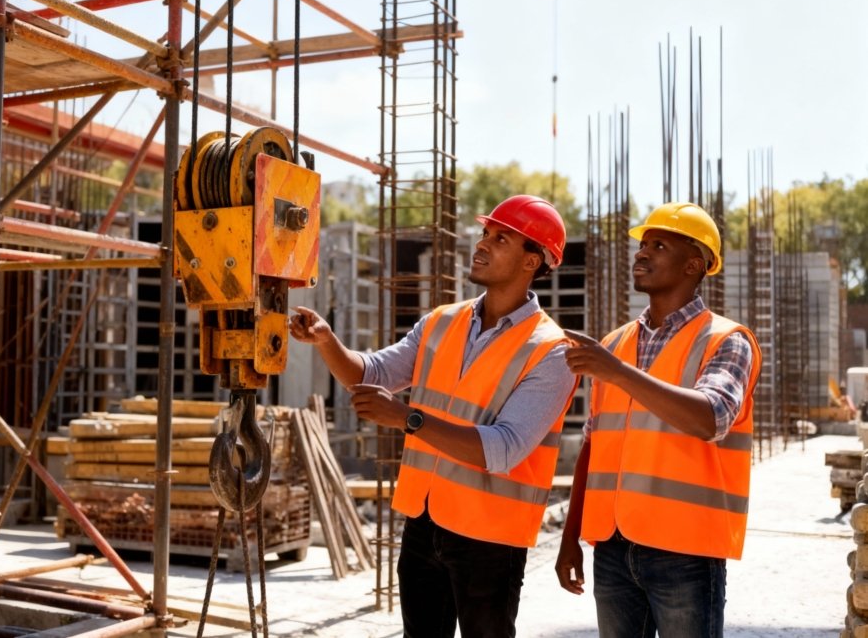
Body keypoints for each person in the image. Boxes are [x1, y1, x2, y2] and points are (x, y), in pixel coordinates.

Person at [290, 194, 578, 638]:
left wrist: (407, 418)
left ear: (532, 260)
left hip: (491, 537)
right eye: (485, 233)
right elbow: (373, 372)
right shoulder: (443, 321)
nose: (482, 244)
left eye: (501, 238)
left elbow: (503, 448)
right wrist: (328, 342)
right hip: (425, 523)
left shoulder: (552, 351)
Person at [555, 201, 762, 637]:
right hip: (611, 547)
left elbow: (711, 417)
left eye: (659, 244)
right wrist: (570, 536)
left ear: (694, 264)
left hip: (684, 551)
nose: (642, 253)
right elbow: (592, 448)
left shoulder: (727, 341)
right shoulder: (614, 344)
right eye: (643, 244)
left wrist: (616, 371)